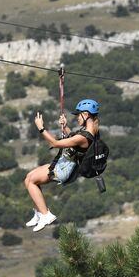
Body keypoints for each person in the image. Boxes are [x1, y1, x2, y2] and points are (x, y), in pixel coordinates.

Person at [24, 99, 100, 232]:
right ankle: (40, 213)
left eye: (78, 114)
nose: (77, 117)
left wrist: (41, 128)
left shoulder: (84, 136)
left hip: (63, 169)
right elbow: (72, 139)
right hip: (65, 164)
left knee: (31, 181)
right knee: (29, 177)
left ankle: (46, 215)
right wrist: (65, 127)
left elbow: (55, 143)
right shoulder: (88, 133)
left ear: (86, 114)